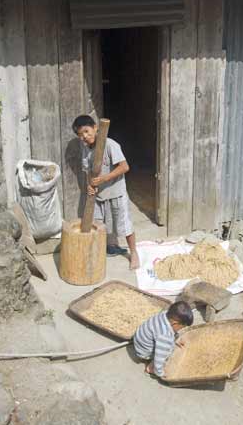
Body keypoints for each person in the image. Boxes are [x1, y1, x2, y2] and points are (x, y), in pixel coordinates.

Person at [72, 115, 140, 269]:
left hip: (116, 192)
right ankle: (100, 251)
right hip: (98, 195)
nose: (85, 137)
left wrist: (104, 178)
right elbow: (88, 171)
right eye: (80, 135)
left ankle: (134, 253)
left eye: (87, 132)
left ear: (95, 128)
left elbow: (124, 167)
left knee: (124, 225)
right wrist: (90, 184)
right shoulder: (86, 149)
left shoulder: (110, 145)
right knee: (97, 225)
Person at [133, 301, 193, 377]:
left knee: (169, 343)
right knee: (168, 350)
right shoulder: (165, 335)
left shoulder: (165, 314)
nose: (181, 329)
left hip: (140, 340)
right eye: (182, 327)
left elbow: (167, 330)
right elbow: (160, 356)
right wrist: (160, 373)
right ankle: (150, 368)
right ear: (175, 323)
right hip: (143, 351)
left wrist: (176, 338)